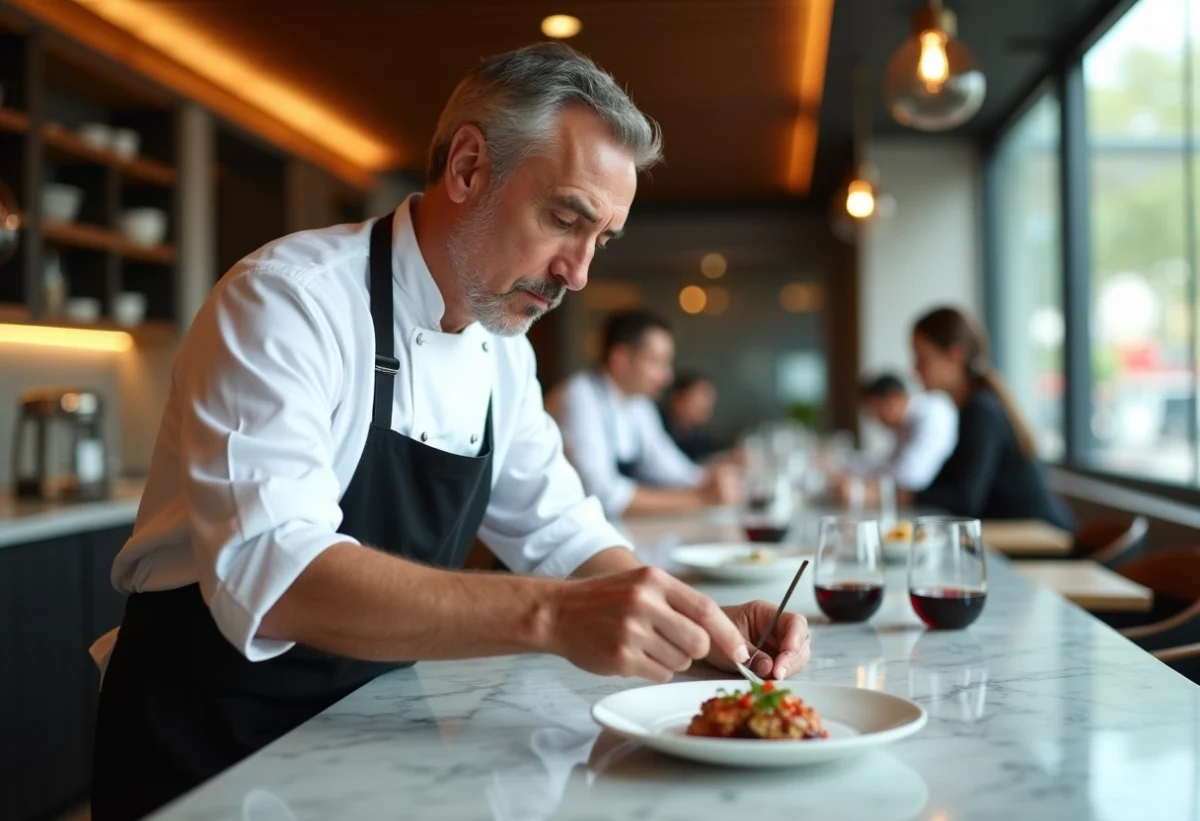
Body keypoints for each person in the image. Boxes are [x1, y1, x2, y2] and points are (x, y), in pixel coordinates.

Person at [89, 44, 810, 821]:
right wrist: (555, 617)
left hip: (368, 743)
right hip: (209, 750)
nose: (578, 273)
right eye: (565, 218)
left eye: (600, 239)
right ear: (468, 168)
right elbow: (280, 574)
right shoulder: (286, 301)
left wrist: (699, 627)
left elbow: (562, 533)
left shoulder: (504, 356)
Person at [547, 310, 740, 519]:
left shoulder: (639, 405)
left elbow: (666, 464)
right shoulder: (578, 396)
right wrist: (700, 498)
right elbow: (602, 494)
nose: (667, 377)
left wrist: (713, 479)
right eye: (657, 362)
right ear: (620, 359)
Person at [909, 306, 1075, 529]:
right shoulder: (974, 407)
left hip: (1040, 541)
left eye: (922, 359)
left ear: (956, 356)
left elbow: (965, 500)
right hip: (1018, 536)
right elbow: (948, 484)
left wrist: (906, 496)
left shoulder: (981, 411)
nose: (915, 369)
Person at [854, 372, 958, 492]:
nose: (877, 420)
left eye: (877, 411)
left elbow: (910, 478)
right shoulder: (903, 427)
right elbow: (890, 467)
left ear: (894, 398)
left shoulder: (934, 412)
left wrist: (860, 491)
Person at [661, 372, 723, 463]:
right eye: (702, 395)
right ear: (678, 396)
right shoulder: (653, 422)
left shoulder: (702, 442)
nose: (706, 405)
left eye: (710, 400)